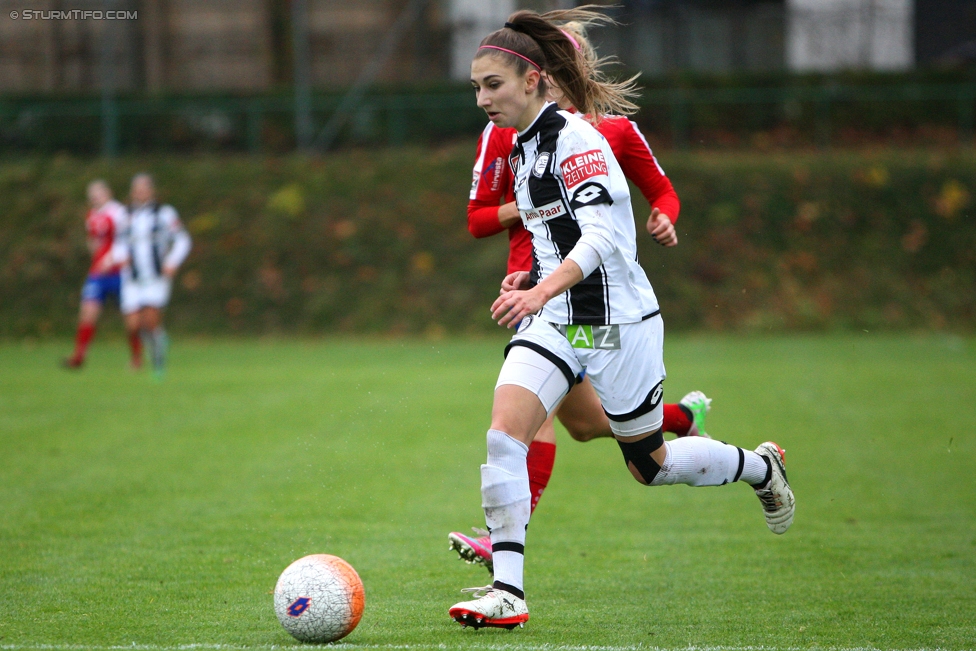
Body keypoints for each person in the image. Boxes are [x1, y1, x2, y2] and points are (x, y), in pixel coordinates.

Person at [449, 8, 795, 629]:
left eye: (492, 84)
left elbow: (607, 237)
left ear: (533, 80)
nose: (482, 98)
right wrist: (531, 281)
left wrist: (541, 288)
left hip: (614, 326)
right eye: (476, 87)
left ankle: (759, 466)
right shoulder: (524, 149)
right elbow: (558, 237)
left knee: (650, 466)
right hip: (557, 318)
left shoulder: (579, 139)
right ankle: (507, 592)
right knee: (504, 435)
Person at [449, 19, 712, 575]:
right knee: (551, 424)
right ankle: (508, 575)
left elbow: (648, 199)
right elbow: (476, 219)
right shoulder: (507, 136)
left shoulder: (599, 135)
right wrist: (528, 239)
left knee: (585, 429)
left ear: (545, 75)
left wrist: (664, 214)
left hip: (595, 311)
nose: (486, 97)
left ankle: (504, 551)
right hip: (538, 306)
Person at [114, 173, 192, 377]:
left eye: (144, 188)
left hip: (155, 278)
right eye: (137, 188)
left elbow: (183, 240)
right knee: (132, 325)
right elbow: (118, 244)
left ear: (152, 190)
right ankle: (155, 343)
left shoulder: (165, 214)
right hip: (131, 278)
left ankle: (158, 363)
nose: (140, 192)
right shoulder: (124, 215)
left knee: (150, 321)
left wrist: (172, 262)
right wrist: (120, 257)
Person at [62, 180, 129, 369]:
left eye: (98, 192)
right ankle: (79, 356)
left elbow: (126, 240)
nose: (94, 197)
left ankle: (139, 355)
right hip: (98, 274)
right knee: (87, 312)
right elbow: (93, 241)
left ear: (108, 192)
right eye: (91, 194)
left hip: (120, 272)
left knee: (130, 318)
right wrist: (97, 257)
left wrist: (111, 259)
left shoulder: (119, 212)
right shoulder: (91, 215)